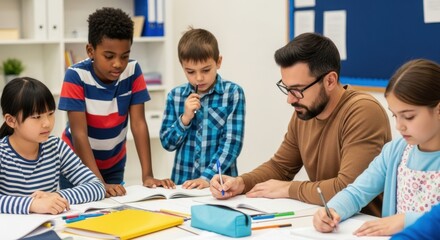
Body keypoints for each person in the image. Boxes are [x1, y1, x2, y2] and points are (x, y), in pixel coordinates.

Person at [210, 32, 391, 216]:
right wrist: (241, 182)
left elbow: (347, 188)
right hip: (325, 222)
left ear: (330, 81)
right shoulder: (305, 111)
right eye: (287, 89)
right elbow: (280, 167)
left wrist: (288, 189)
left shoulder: (363, 112)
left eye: (297, 90)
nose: (289, 99)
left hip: (364, 226)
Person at [313, 59, 440, 236]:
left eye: (409, 117)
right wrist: (333, 210)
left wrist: (405, 220)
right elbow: (358, 192)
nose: (399, 126)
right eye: (395, 116)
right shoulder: (396, 151)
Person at [58, 7, 174, 197]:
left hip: (114, 162)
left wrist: (148, 175)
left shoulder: (132, 70)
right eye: (109, 56)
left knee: (113, 213)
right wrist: (97, 183)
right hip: (76, 165)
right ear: (90, 51)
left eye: (125, 56)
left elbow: (138, 123)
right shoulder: (75, 76)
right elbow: (79, 133)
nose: (118, 64)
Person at [0, 77, 105, 214]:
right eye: (37, 117)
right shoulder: (2, 153)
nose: (47, 123)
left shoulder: (56, 147)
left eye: (50, 114)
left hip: (48, 228)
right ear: (11, 120)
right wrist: (33, 204)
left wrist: (57, 196)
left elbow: (97, 186)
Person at [160, 27, 245, 189]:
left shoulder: (233, 93)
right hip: (181, 185)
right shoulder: (175, 96)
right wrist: (184, 119)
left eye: (206, 70)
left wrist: (206, 178)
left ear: (218, 62)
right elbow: (167, 143)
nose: (199, 78)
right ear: (182, 66)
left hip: (220, 185)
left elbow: (232, 144)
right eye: (190, 72)